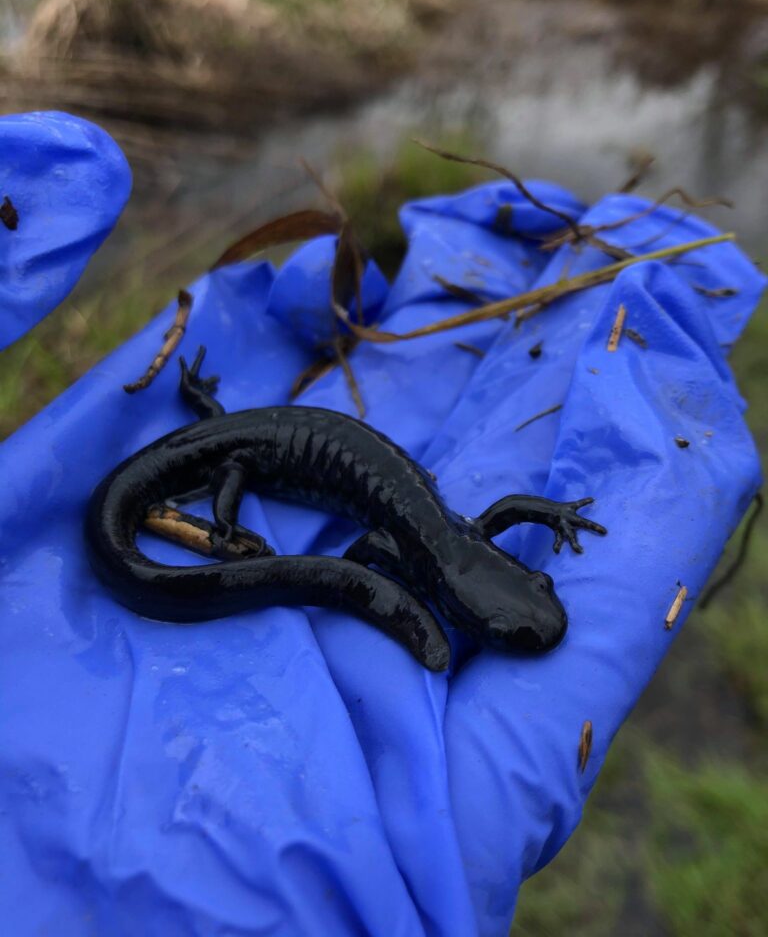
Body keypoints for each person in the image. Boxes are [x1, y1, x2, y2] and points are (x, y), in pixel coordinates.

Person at [0, 111, 762, 936]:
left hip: (235, 435)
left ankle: (214, 449)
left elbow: (476, 522)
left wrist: (556, 514)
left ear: (497, 565)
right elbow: (400, 544)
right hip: (224, 452)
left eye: (518, 599)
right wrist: (233, 532)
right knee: (235, 466)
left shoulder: (451, 539)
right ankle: (214, 493)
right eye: (506, 620)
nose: (523, 608)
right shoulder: (433, 545)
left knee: (242, 452)